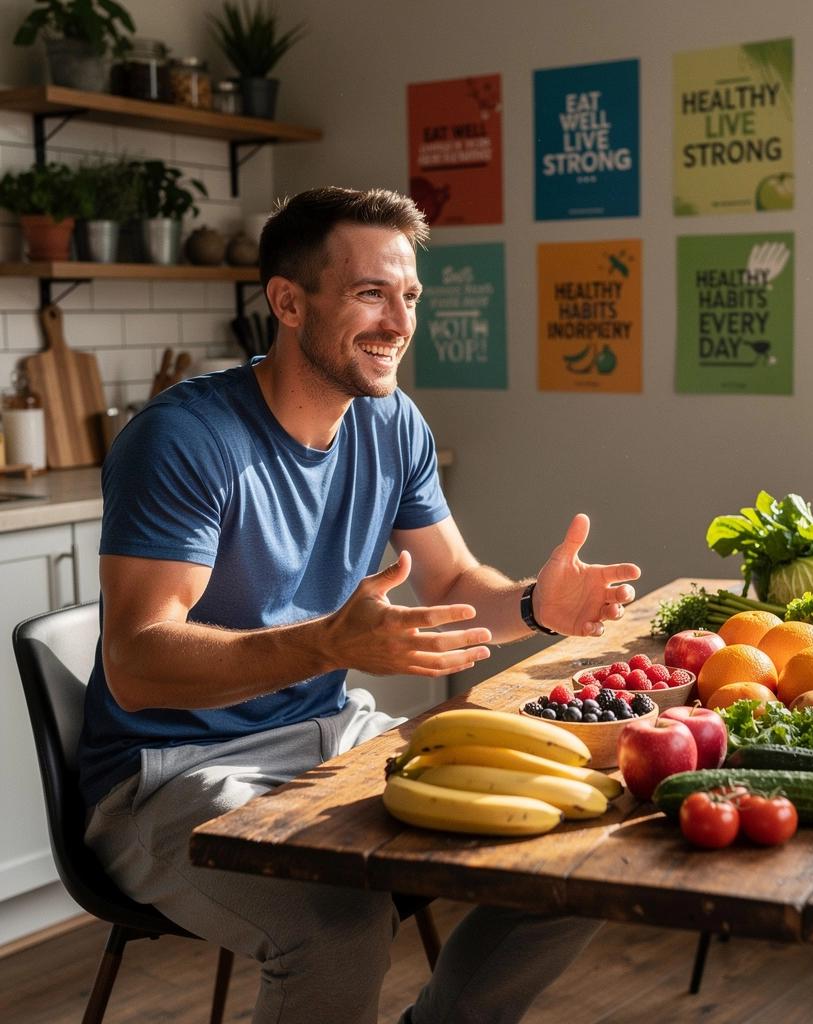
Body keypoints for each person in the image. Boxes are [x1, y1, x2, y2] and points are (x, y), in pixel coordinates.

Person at [79, 186, 641, 1024]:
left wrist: (534, 605)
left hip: (331, 742)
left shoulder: (393, 424)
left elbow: (449, 587)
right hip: (167, 776)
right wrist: (326, 646)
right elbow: (135, 666)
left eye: (408, 295)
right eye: (370, 292)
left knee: (585, 839)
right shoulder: (183, 440)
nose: (399, 321)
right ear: (288, 302)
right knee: (337, 925)